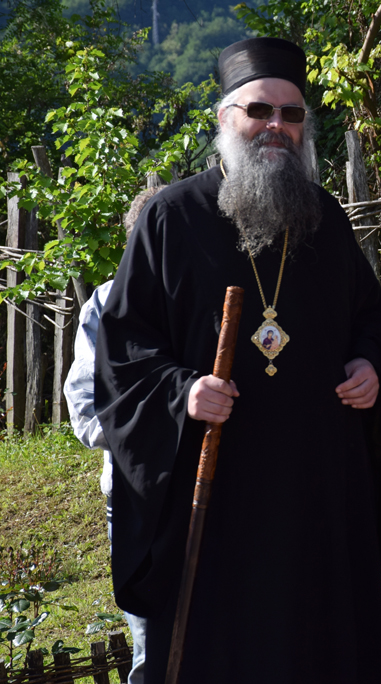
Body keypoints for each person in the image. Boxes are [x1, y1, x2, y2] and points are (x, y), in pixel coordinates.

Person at [94, 37, 381, 684]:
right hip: (218, 494)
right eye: (260, 110)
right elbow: (123, 355)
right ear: (225, 117)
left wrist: (368, 363)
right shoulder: (171, 219)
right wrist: (182, 392)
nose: (276, 126)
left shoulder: (326, 218)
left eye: (291, 114)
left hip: (317, 493)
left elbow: (370, 315)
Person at [64, 187, 161, 684]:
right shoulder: (105, 303)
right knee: (150, 646)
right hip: (134, 495)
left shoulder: (206, 296)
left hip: (212, 494)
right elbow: (84, 406)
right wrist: (155, 431)